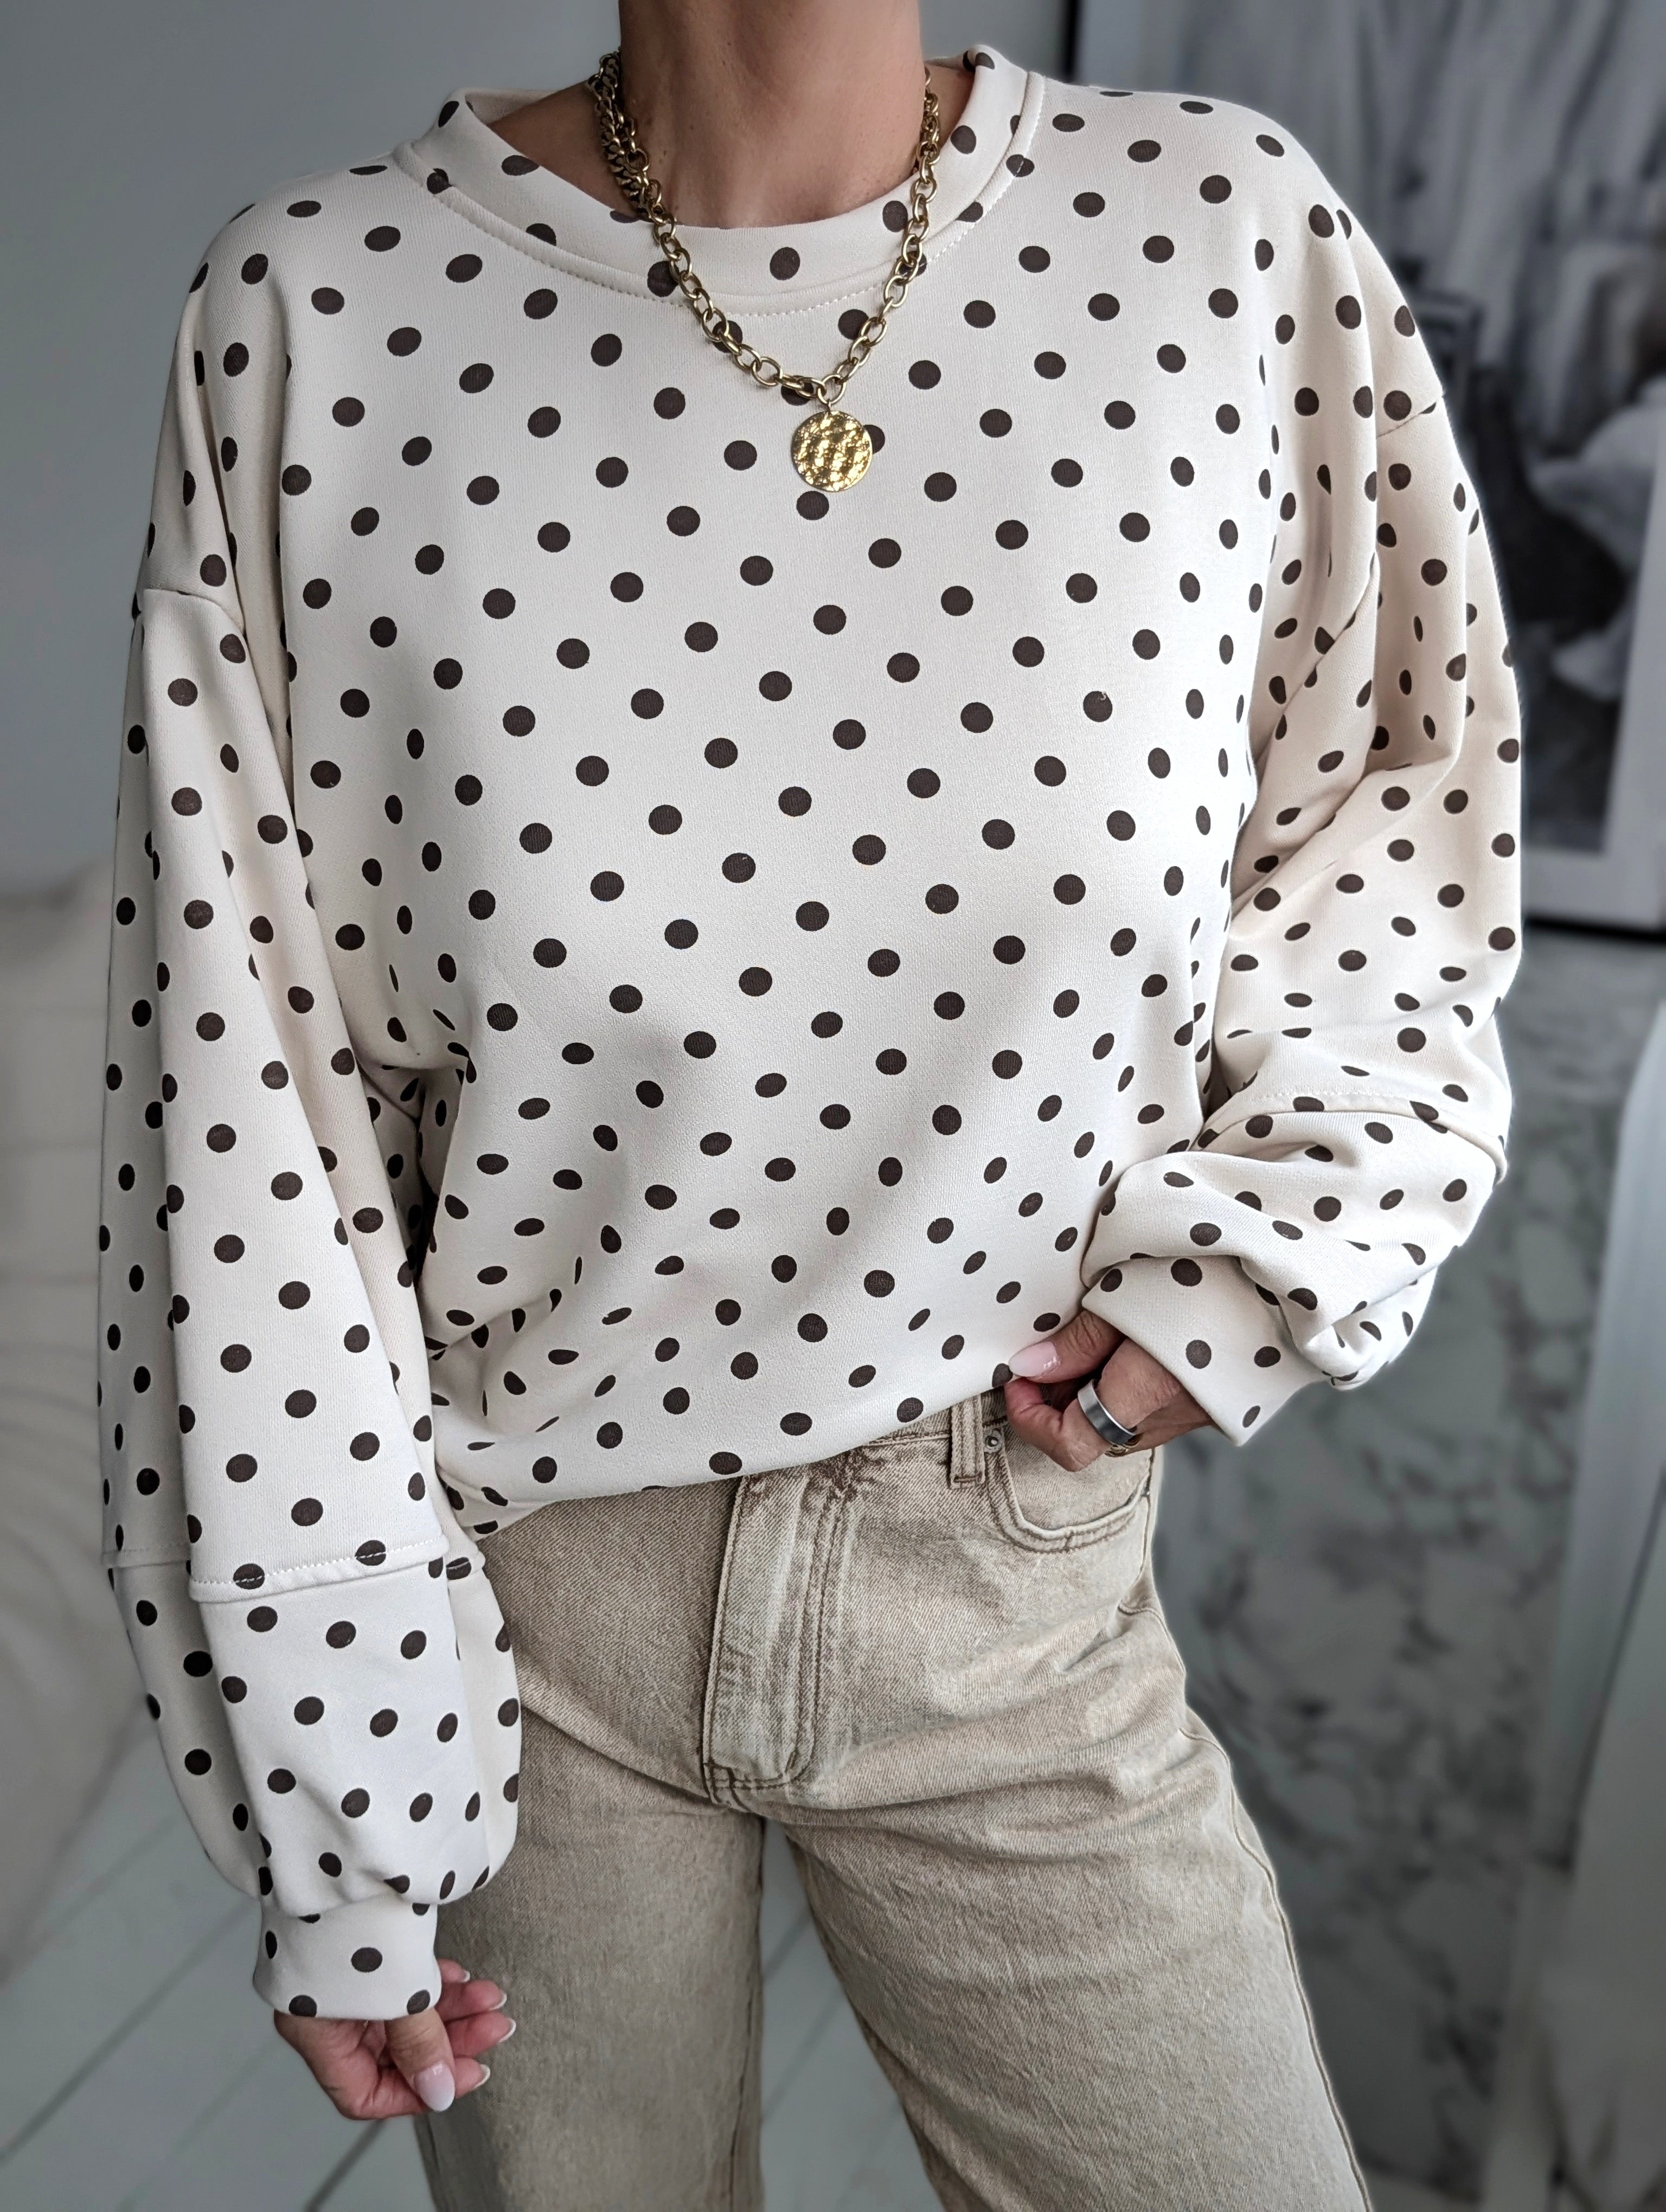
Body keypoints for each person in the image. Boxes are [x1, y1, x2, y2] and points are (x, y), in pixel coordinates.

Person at [95, 0, 1522, 2203]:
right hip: (517, 1621)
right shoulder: (325, 306)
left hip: (1006, 1563)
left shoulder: (1212, 235)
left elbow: (1392, 819)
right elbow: (242, 1100)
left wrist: (1270, 1254)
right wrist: (342, 1802)